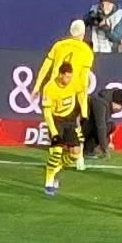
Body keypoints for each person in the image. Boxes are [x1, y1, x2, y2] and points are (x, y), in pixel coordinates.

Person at [38, 20, 96, 169]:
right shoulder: (86, 50)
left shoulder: (59, 45)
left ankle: (56, 159)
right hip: (73, 91)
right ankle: (78, 159)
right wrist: (83, 105)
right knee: (78, 125)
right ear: (83, 34)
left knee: (54, 125)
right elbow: (83, 79)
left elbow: (46, 66)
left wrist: (38, 85)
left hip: (54, 89)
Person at [39, 61, 86, 197]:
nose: (69, 80)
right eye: (66, 77)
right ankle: (49, 181)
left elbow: (81, 94)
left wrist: (83, 113)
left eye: (70, 77)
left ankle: (57, 167)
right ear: (60, 75)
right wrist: (53, 132)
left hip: (70, 120)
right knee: (56, 152)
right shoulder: (50, 88)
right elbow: (47, 112)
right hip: (56, 120)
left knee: (75, 153)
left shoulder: (75, 82)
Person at [82, 86, 122, 163]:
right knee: (107, 126)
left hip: (86, 126)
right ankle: (87, 150)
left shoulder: (104, 101)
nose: (119, 110)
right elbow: (101, 126)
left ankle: (88, 149)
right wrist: (105, 148)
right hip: (80, 127)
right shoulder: (100, 103)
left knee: (110, 125)